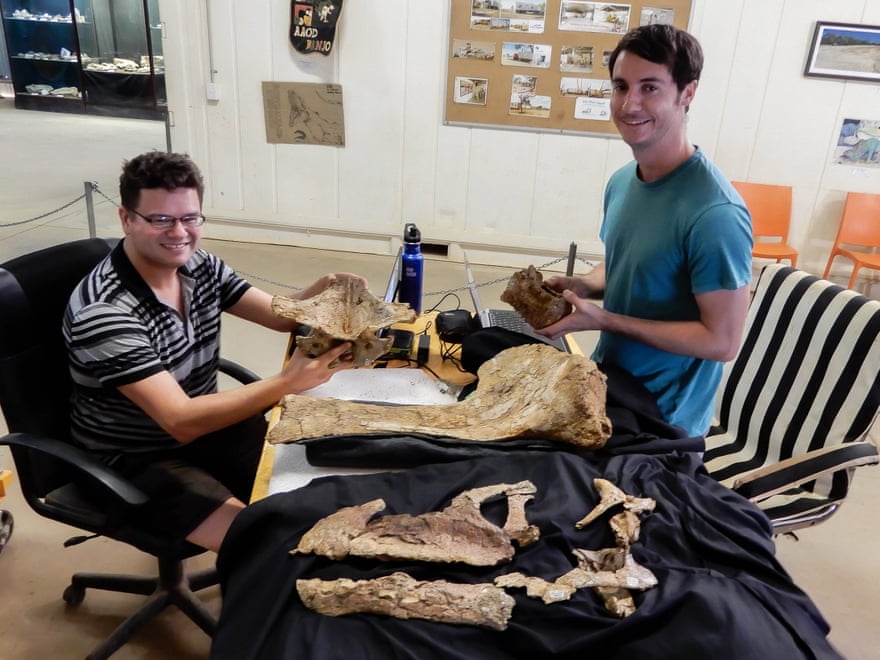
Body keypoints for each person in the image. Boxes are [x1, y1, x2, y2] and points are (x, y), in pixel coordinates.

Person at [63, 150, 363, 552]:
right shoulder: (105, 312)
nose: (179, 233)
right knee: (266, 545)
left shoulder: (198, 265)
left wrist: (318, 293)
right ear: (126, 219)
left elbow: (277, 316)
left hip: (207, 426)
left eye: (189, 218)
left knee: (313, 496)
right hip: (133, 460)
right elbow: (180, 421)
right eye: (160, 220)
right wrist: (287, 383)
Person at [539, 24, 753, 438]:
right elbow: (633, 262)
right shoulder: (623, 181)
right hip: (608, 387)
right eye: (621, 87)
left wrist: (606, 321)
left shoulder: (715, 214)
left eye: (650, 88)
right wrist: (583, 286)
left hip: (659, 423)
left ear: (687, 93)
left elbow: (722, 342)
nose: (629, 104)